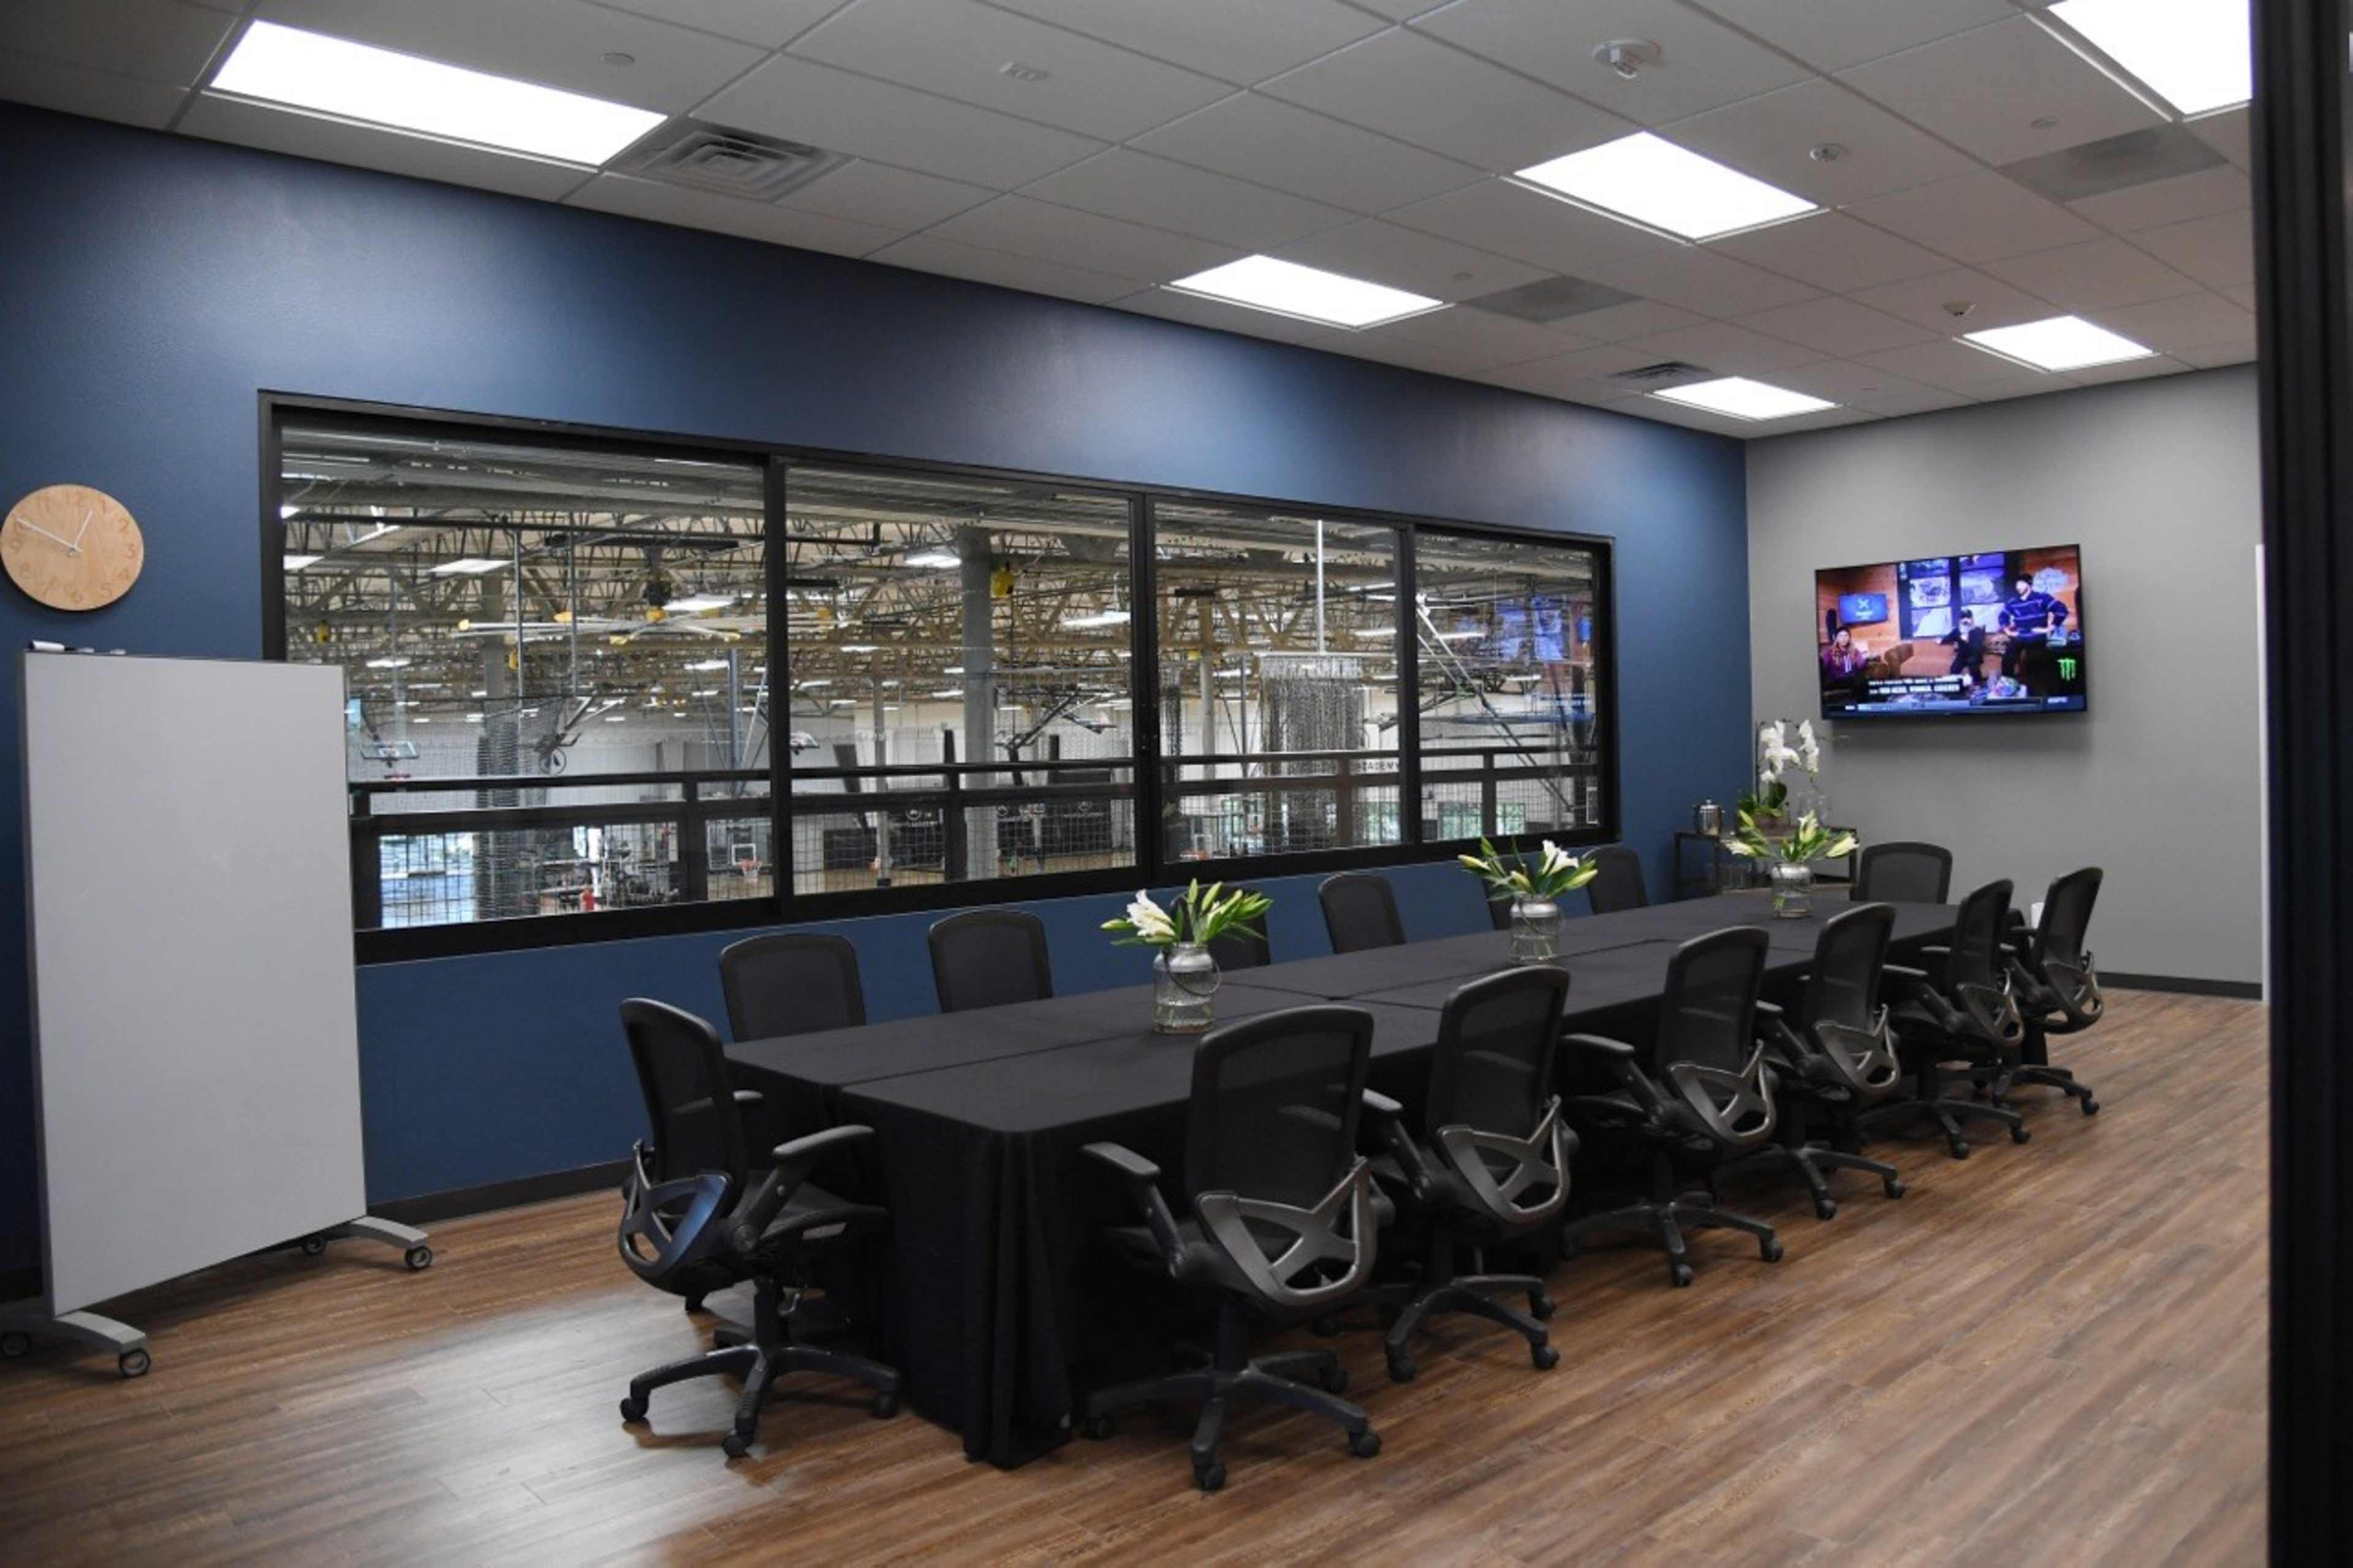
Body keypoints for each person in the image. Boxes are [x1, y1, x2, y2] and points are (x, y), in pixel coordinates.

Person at [1998, 574, 2071, 682]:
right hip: (2020, 637)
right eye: (2017, 585)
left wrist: (2050, 628)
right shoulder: (2013, 602)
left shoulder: (2042, 598)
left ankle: (2037, 690)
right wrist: (2008, 631)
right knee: (2007, 660)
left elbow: (2062, 610)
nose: (2018, 587)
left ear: (2029, 584)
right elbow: (2002, 616)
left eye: (2021, 584)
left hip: (2037, 638)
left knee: (2035, 663)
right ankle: (2008, 686)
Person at [1941, 609, 1989, 684]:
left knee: (1974, 667)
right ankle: (1957, 687)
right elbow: (1946, 639)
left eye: (1968, 618)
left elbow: (1978, 646)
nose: (1966, 620)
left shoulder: (1978, 630)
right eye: (1963, 618)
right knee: (1954, 669)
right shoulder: (1957, 631)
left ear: (1972, 619)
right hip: (1962, 656)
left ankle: (1978, 684)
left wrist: (1967, 638)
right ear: (1960, 620)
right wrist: (1940, 641)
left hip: (1974, 655)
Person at [1820, 626, 1868, 692]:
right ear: (1836, 638)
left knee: (1861, 681)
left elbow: (1861, 665)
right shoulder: (1829, 652)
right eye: (1841, 636)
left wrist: (1866, 658)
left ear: (1849, 638)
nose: (1844, 639)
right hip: (1835, 682)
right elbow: (1822, 665)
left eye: (1846, 636)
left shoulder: (1855, 651)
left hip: (1852, 682)